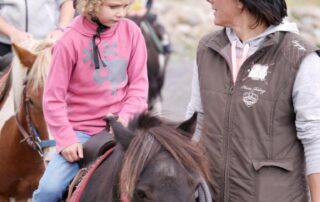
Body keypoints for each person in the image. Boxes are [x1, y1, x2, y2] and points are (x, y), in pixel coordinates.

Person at [186, 0, 320, 201]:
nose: (209, 0)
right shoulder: (207, 48)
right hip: (211, 195)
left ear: (241, 2)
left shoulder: (299, 56)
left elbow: (315, 139)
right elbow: (196, 121)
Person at [32, 0, 148, 200]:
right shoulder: (68, 41)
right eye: (113, 7)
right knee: (48, 191)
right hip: (80, 136)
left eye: (126, 6)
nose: (121, 13)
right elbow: (53, 99)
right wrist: (67, 139)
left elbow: (139, 87)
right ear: (92, 4)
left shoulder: (133, 32)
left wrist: (126, 118)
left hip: (125, 129)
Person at [0, 0, 75, 56]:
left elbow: (68, 2)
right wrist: (12, 32)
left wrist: (61, 29)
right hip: (8, 45)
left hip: (46, 44)